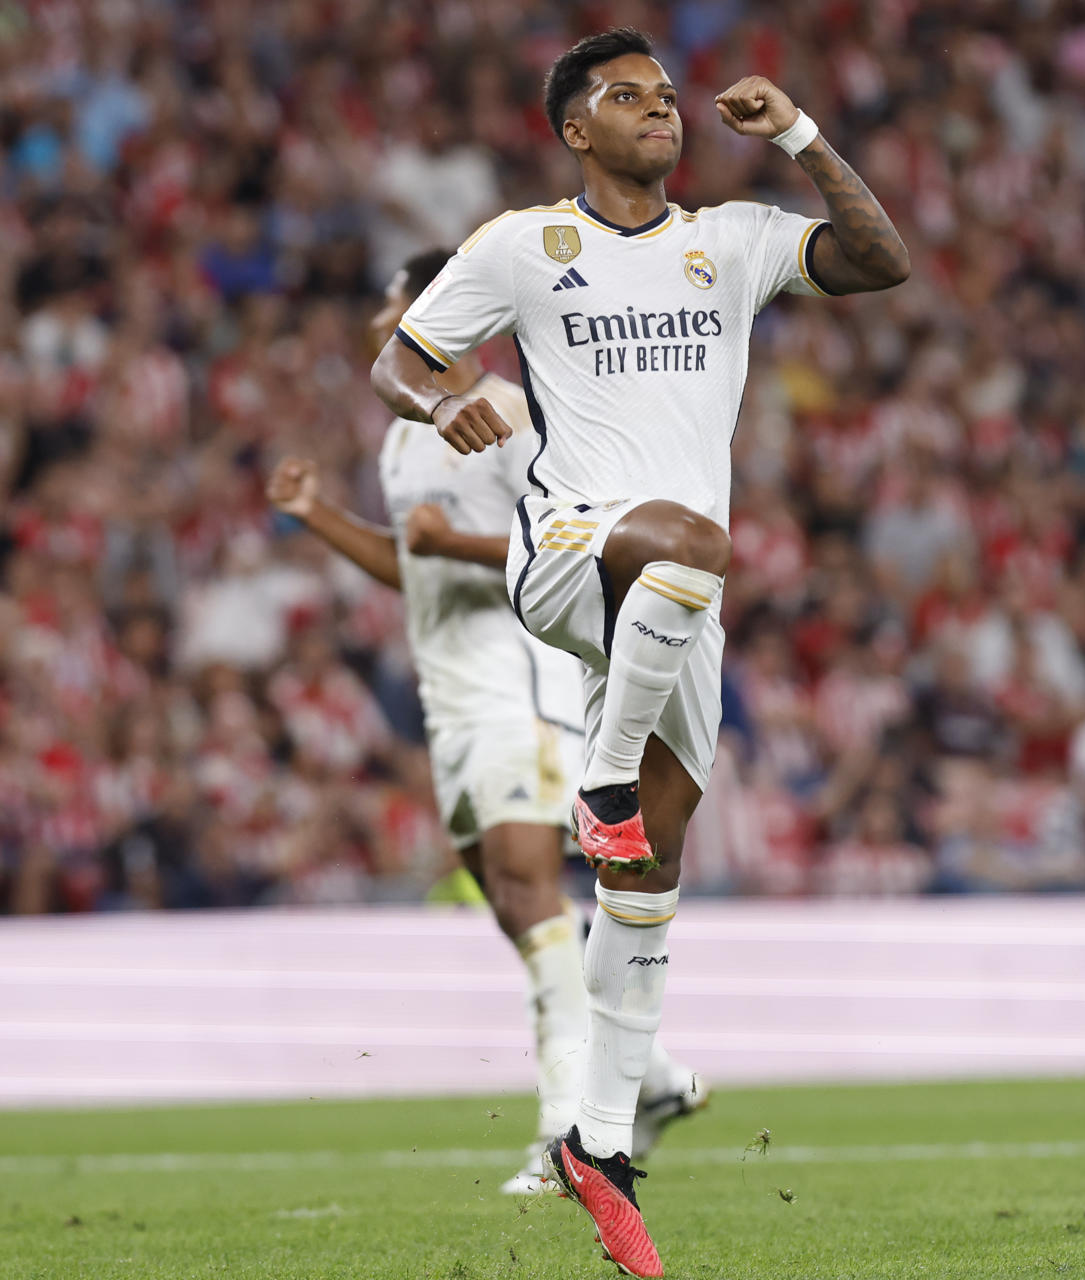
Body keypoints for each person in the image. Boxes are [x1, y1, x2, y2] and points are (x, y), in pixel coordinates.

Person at [370, 28, 908, 1276]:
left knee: (648, 879)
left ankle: (598, 1144)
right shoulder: (521, 244)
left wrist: (800, 136)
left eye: (669, 96)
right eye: (628, 96)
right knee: (693, 540)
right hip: (566, 546)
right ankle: (601, 779)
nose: (660, 110)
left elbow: (881, 259)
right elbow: (397, 358)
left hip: (676, 611)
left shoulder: (728, 239)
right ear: (576, 128)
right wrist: (446, 400)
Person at [269, 248, 701, 1197]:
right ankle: (656, 1080)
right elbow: (413, 568)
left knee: (527, 891)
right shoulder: (401, 438)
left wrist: (454, 540)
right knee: (515, 908)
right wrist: (319, 517)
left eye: (395, 301)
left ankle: (568, 1134)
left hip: (519, 691)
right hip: (451, 702)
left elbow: (562, 546)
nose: (383, 319)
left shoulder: (512, 414)